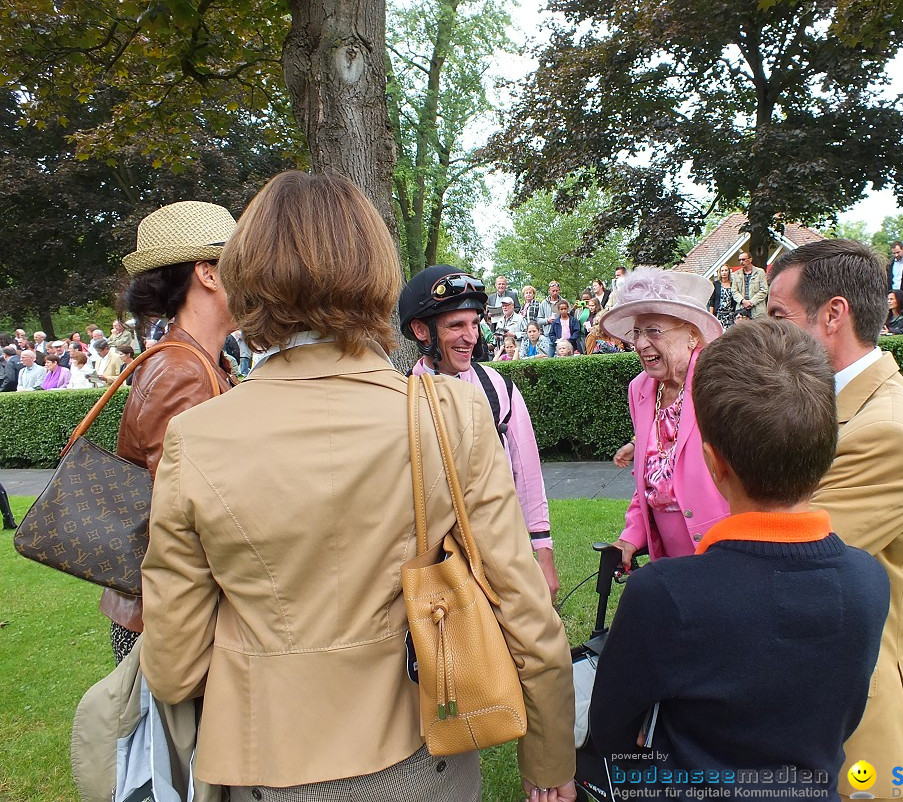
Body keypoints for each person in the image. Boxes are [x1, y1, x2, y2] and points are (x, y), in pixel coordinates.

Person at [141, 172, 576, 801]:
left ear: (245, 276)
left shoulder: (197, 437)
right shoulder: (449, 412)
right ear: (376, 271)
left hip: (270, 761)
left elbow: (174, 664)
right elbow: (527, 612)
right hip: (423, 748)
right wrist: (550, 759)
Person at [590, 319, 889, 799]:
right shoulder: (870, 581)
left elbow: (610, 729)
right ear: (826, 452)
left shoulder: (665, 594)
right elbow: (843, 716)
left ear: (714, 464)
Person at [767, 239, 903, 800]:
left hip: (851, 717)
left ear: (833, 315)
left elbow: (783, 561)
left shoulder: (886, 431)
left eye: (778, 317)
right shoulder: (840, 406)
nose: (768, 333)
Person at [102, 199, 239, 665]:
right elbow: (188, 514)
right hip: (169, 617)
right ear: (208, 273)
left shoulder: (197, 360)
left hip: (167, 606)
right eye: (240, 263)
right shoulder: (183, 368)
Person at [399, 265, 561, 600]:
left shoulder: (498, 387)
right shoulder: (403, 400)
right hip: (434, 566)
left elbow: (527, 472)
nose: (471, 336)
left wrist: (543, 552)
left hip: (500, 551)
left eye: (474, 323)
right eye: (456, 325)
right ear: (421, 330)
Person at [597, 267, 730, 571]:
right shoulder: (640, 389)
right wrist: (631, 536)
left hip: (723, 548)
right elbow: (650, 475)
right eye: (637, 333)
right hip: (668, 556)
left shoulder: (719, 383)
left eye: (654, 331)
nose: (641, 344)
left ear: (692, 335)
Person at [729, 250, 768, 318]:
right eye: (740, 260)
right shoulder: (736, 274)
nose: (741, 262)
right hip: (742, 309)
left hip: (757, 309)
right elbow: (734, 291)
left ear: (750, 259)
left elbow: (764, 290)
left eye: (743, 259)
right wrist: (743, 301)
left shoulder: (760, 272)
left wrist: (751, 302)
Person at [707, 262, 737, 328]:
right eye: (722, 271)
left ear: (729, 272)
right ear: (719, 272)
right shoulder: (716, 284)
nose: (724, 272)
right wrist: (711, 316)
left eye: (726, 270)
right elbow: (712, 301)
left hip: (730, 315)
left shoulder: (733, 284)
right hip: (718, 314)